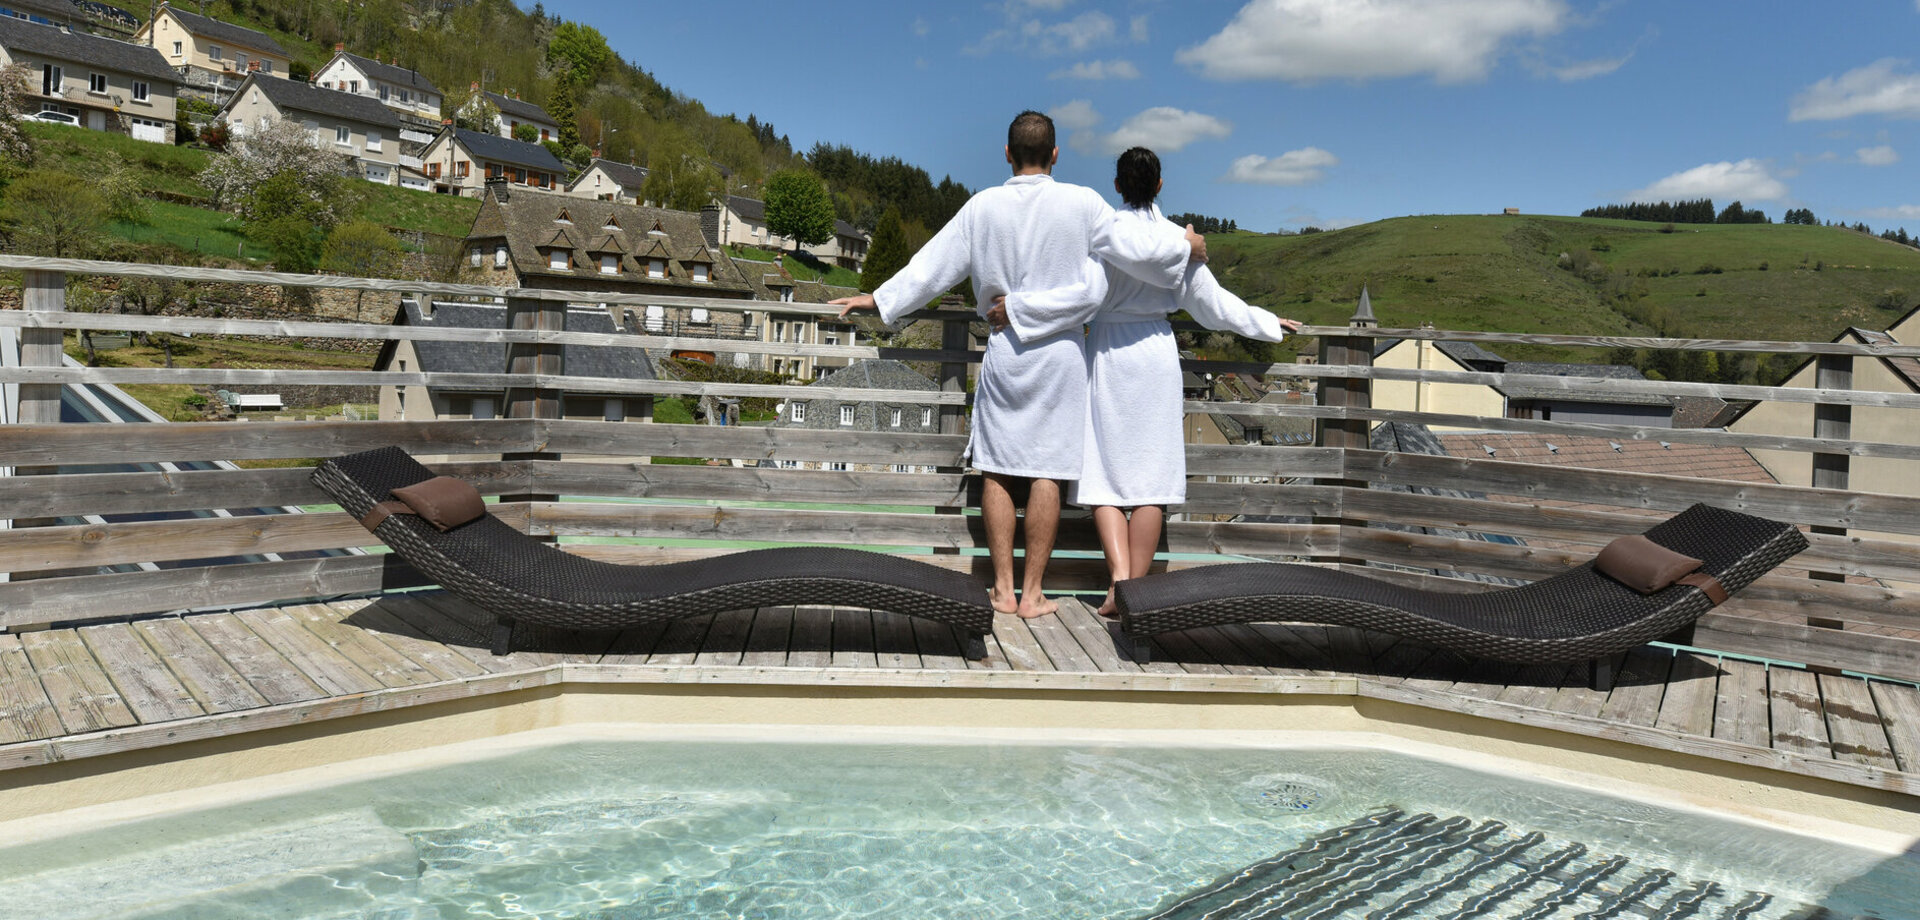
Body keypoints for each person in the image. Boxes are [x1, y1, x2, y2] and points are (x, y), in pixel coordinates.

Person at [832, 112, 1207, 619]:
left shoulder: (982, 207)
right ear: (1055, 155)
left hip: (1006, 348)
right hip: (1061, 356)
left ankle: (1002, 590)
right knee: (1048, 471)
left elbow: (931, 265)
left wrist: (878, 298)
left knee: (998, 470)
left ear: (1007, 153)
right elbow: (1128, 259)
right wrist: (1184, 245)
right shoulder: (1084, 205)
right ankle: (1034, 594)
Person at [993, 146, 1302, 616]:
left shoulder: (1104, 234)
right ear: (1159, 185)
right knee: (1151, 478)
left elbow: (1075, 292)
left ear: (1116, 185)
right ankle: (1137, 591)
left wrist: (1016, 307)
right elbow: (1213, 304)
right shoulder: (1178, 241)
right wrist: (1265, 323)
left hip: (1107, 352)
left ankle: (1117, 583)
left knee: (1106, 473)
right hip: (1155, 352)